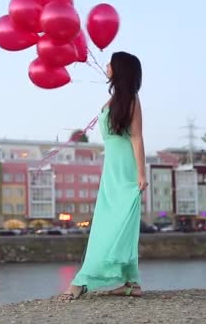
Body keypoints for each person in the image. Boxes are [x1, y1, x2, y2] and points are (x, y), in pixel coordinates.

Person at [59, 51, 148, 301]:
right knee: (108, 223)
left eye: (110, 62)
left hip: (126, 170)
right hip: (111, 168)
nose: (106, 65)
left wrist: (141, 173)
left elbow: (137, 138)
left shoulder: (131, 99)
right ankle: (132, 283)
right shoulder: (115, 99)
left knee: (117, 225)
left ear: (119, 69)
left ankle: (82, 280)